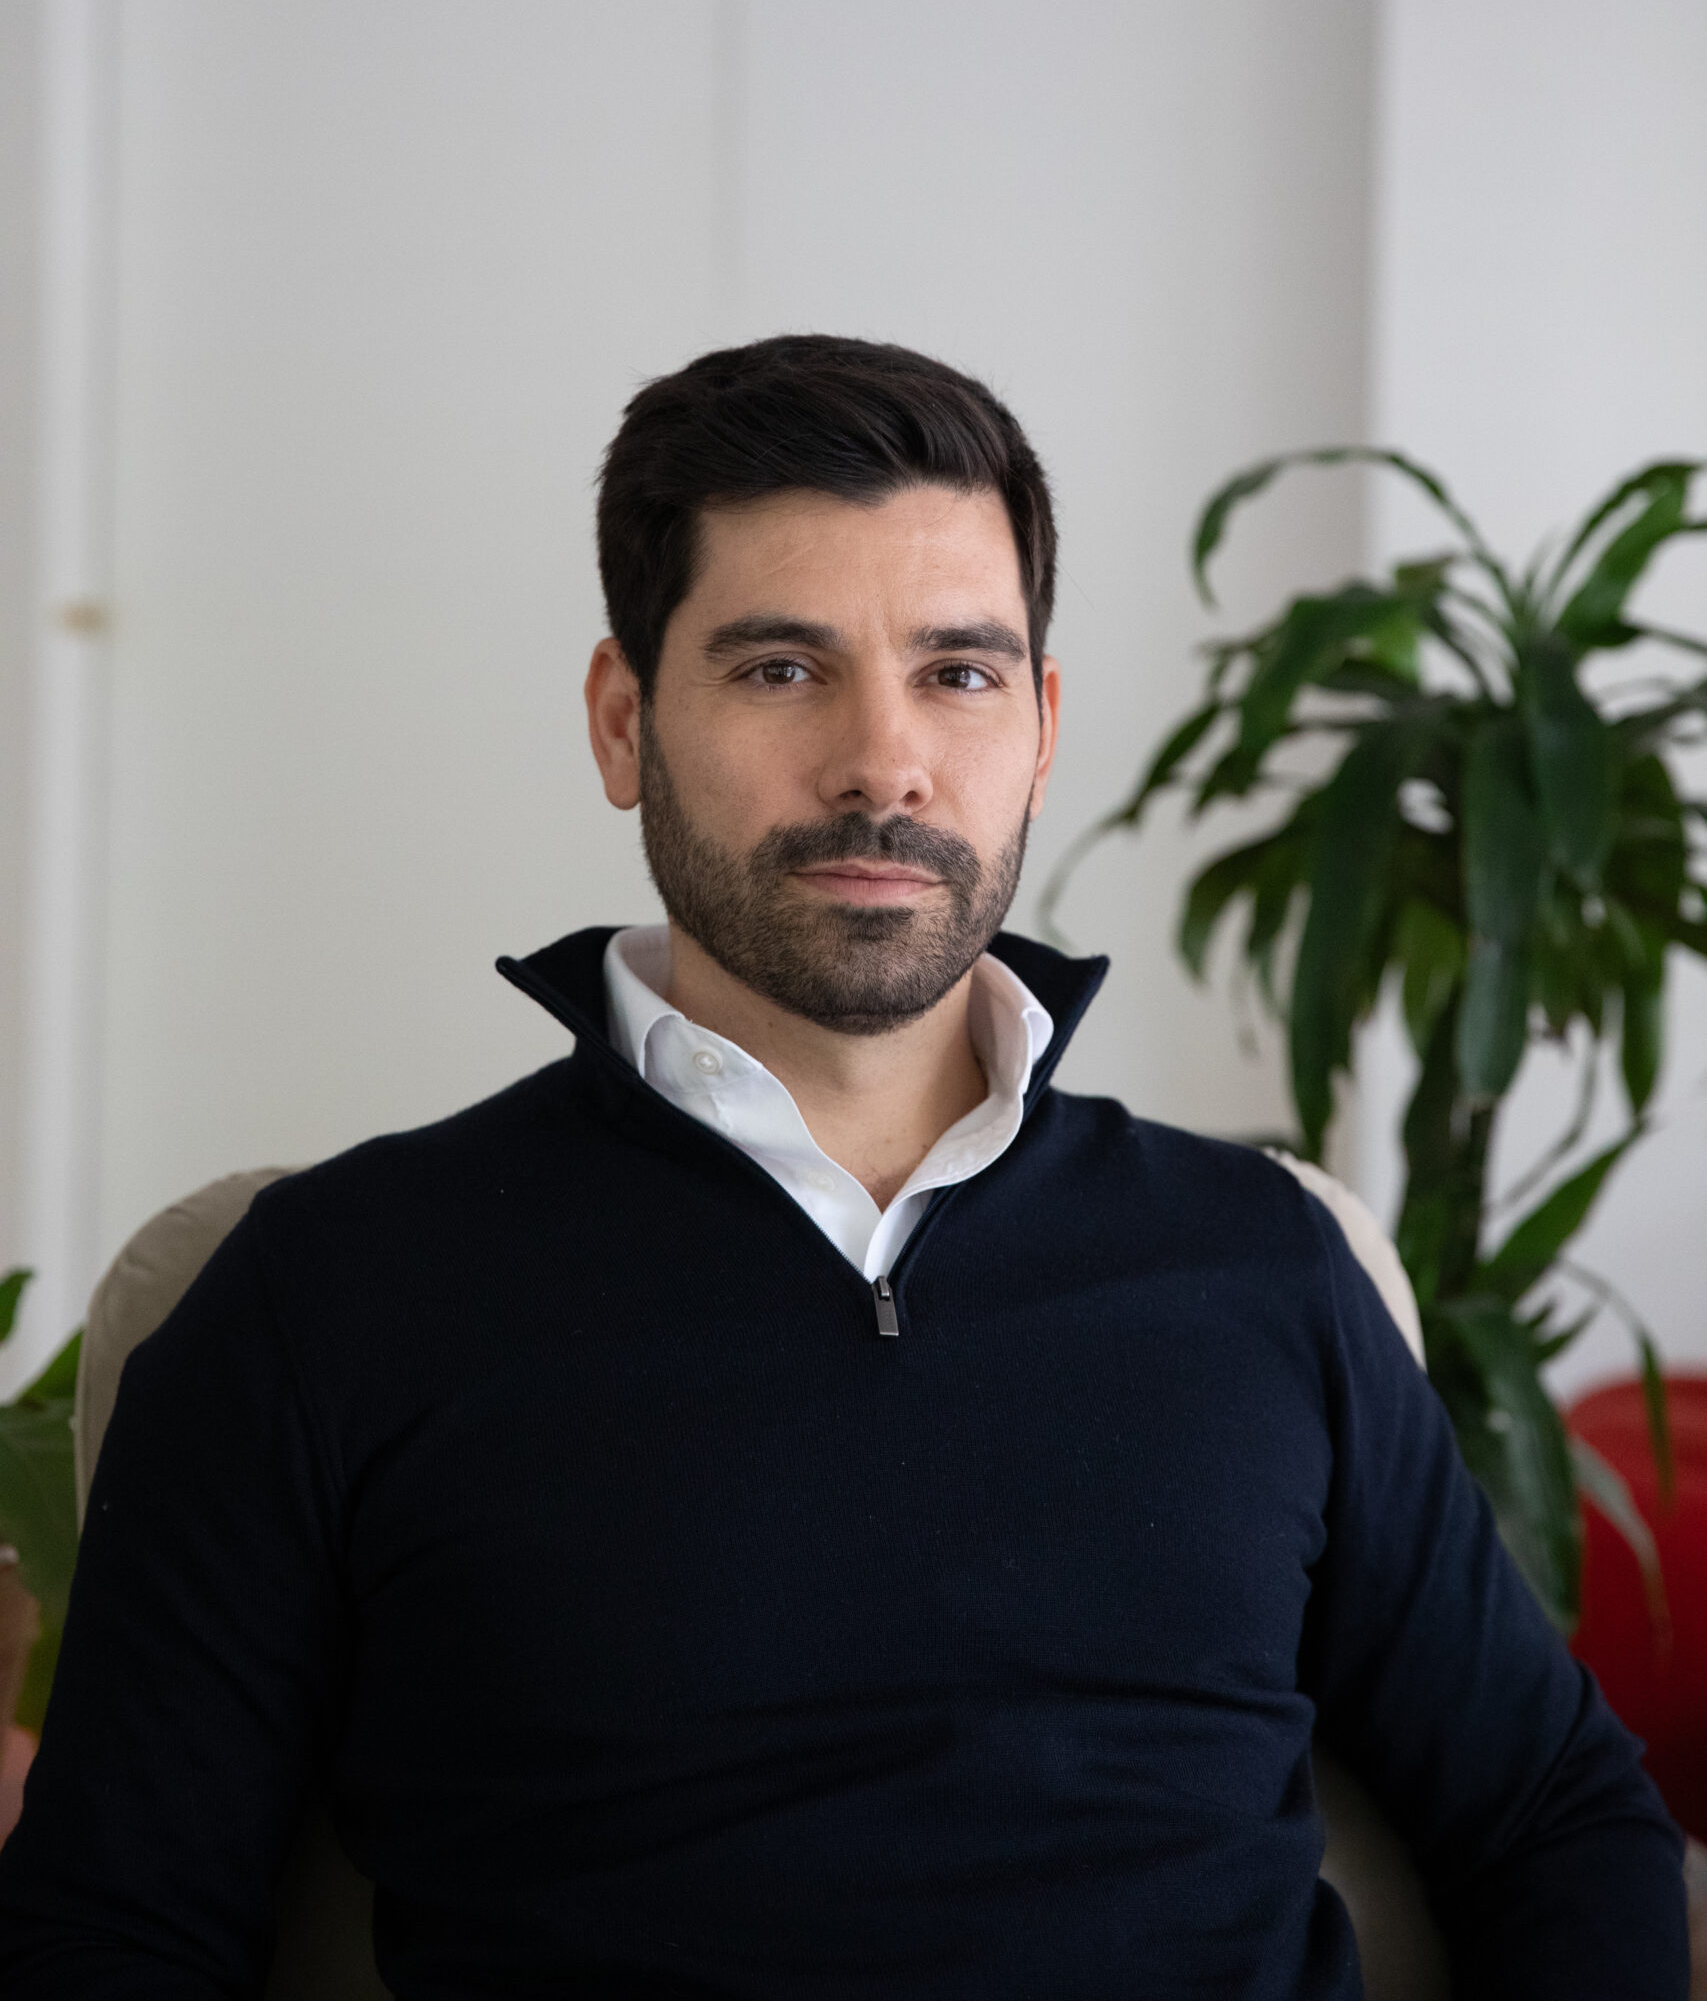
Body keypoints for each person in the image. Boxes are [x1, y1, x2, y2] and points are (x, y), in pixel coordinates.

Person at [0, 334, 1686, 1998]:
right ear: (620, 722)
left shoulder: (1264, 1263)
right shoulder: (328, 1293)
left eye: (957, 672)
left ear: (1039, 726)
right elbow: (113, 1934)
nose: (884, 762)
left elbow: (1555, 1817)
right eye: (781, 668)